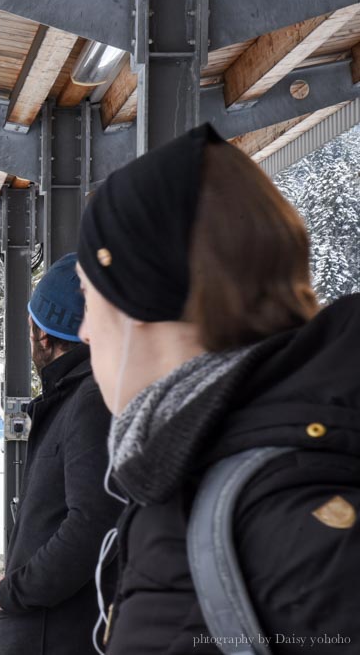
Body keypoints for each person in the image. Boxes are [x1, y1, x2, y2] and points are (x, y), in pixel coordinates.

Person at [76, 123, 360, 653]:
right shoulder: (205, 468)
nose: (84, 331)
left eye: (88, 299)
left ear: (135, 300)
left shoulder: (282, 511)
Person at [0, 253, 123, 655]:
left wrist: (14, 591)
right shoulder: (78, 395)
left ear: (42, 334)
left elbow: (93, 523)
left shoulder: (91, 401)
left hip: (53, 632)